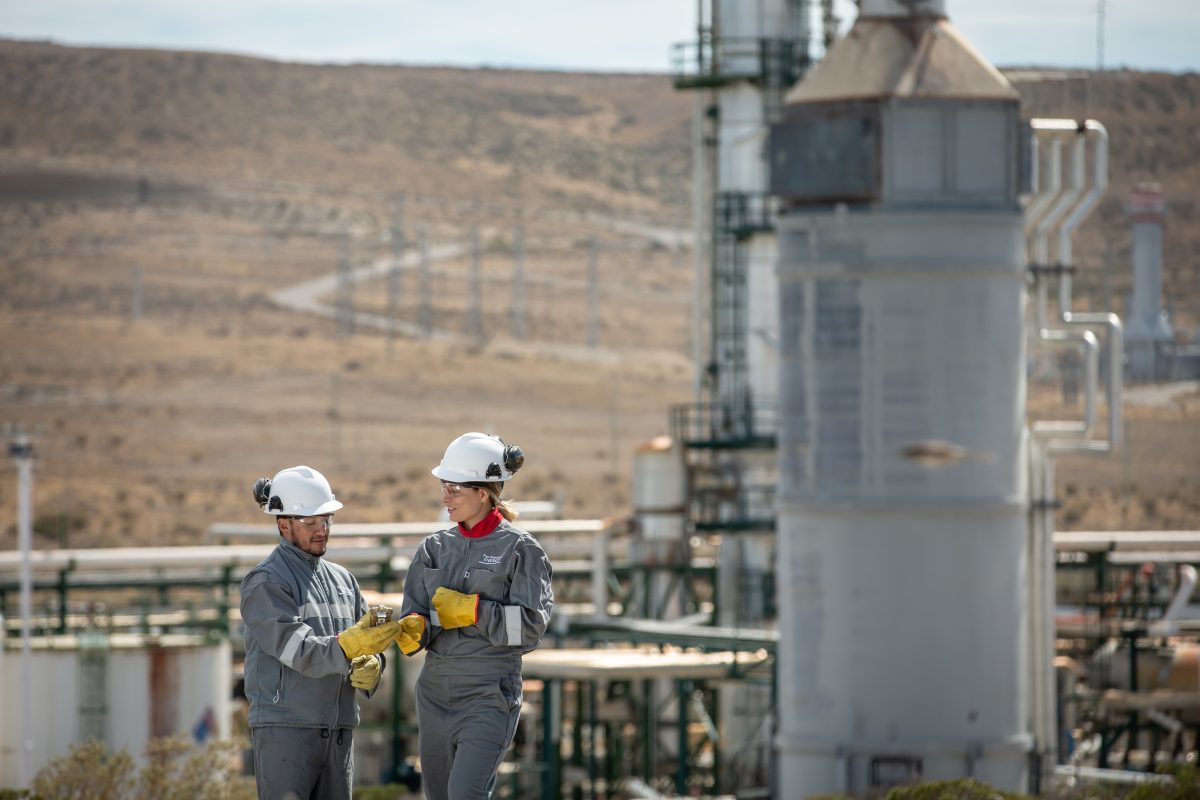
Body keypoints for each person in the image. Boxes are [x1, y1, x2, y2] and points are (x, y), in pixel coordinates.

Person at [394, 433, 555, 800]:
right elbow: (416, 615)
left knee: (465, 793)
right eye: (443, 487)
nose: (444, 497)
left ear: (483, 492)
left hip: (488, 693)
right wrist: (410, 630)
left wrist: (475, 611)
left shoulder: (521, 550)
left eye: (454, 489)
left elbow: (531, 628)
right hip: (434, 690)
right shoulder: (433, 549)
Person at [240, 465, 402, 800]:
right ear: (283, 525)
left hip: (339, 727)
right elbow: (297, 650)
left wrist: (374, 665)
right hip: (287, 730)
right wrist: (348, 649)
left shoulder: (344, 581)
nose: (322, 530)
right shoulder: (266, 582)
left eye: (326, 520)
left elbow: (364, 644)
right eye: (311, 522)